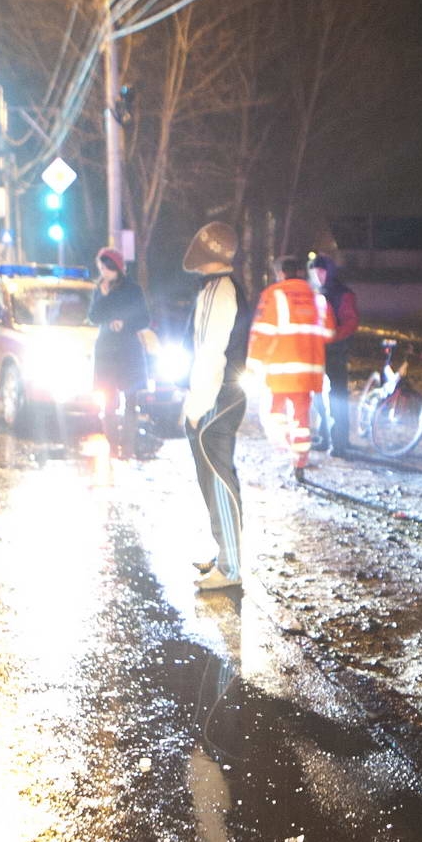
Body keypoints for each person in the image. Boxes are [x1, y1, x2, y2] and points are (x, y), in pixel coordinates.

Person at [182, 222, 250, 591]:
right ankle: (226, 552)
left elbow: (210, 353)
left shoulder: (217, 291)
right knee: (217, 477)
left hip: (217, 397)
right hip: (225, 395)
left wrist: (196, 404)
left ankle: (231, 566)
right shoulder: (224, 288)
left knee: (218, 479)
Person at [247, 254, 333, 480]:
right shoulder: (318, 298)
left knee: (273, 413)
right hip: (309, 372)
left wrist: (252, 366)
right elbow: (329, 333)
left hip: (279, 371)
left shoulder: (274, 295)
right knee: (302, 419)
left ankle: (283, 444)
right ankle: (300, 462)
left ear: (281, 273)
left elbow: (262, 334)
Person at [89, 246, 149, 457]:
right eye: (101, 268)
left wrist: (124, 323)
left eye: (107, 268)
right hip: (106, 350)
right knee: (108, 401)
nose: (104, 273)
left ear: (117, 268)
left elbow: (144, 319)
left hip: (128, 350)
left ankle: (129, 445)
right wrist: (103, 297)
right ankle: (113, 446)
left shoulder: (133, 290)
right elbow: (94, 317)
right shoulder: (100, 288)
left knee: (131, 399)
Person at [310, 253, 357, 453]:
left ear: (329, 271)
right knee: (318, 397)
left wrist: (333, 337)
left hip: (336, 352)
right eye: (314, 272)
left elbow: (350, 321)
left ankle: (339, 441)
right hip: (317, 351)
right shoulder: (314, 292)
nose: (318, 275)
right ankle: (324, 437)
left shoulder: (342, 293)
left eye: (321, 271)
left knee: (337, 396)